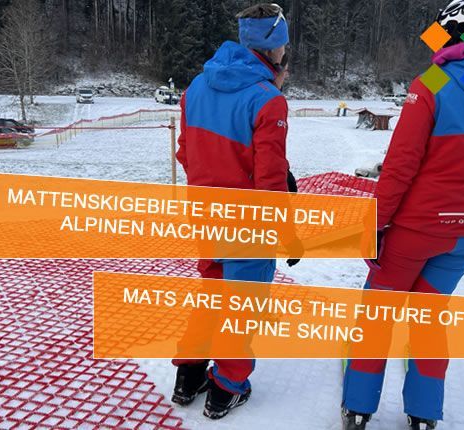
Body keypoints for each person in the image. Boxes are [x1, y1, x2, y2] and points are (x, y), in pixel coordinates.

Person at [341, 0, 464, 429]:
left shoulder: (433, 82)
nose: (435, 42)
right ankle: (424, 415)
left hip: (416, 230)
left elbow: (400, 165)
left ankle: (359, 409)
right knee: (429, 321)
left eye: (442, 33)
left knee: (378, 318)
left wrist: (375, 223)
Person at [171, 3, 296, 420]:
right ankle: (228, 385)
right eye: (284, 45)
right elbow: (271, 181)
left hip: (206, 216)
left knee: (212, 295)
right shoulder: (268, 100)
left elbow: (186, 153)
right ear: (276, 47)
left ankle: (189, 375)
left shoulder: (195, 88)